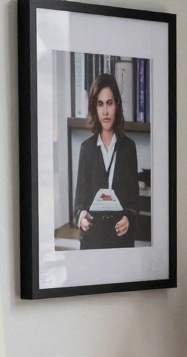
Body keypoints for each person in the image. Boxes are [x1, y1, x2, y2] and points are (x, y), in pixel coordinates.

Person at [72, 73, 140, 250]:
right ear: (95, 107)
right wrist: (81, 218)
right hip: (92, 238)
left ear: (117, 105)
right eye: (100, 104)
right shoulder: (86, 149)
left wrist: (129, 218)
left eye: (109, 103)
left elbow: (134, 202)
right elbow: (78, 203)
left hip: (121, 239)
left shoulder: (129, 148)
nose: (105, 111)